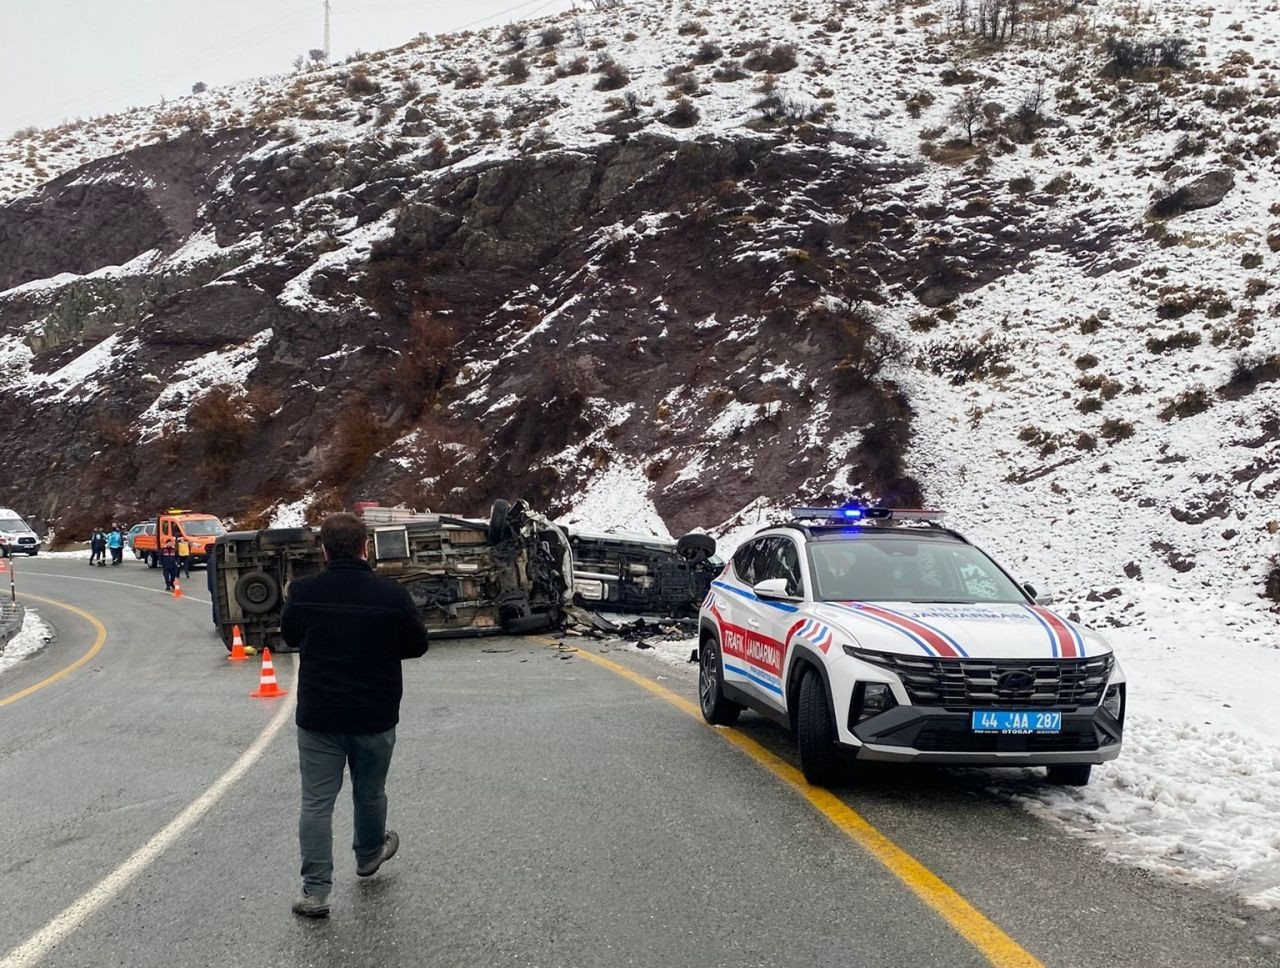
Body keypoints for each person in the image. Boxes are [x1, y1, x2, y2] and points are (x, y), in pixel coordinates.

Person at [281, 512, 429, 919]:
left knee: (315, 802)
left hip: (319, 717)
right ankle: (367, 855)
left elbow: (290, 636)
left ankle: (316, 892)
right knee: (370, 792)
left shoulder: (303, 592)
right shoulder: (391, 595)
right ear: (366, 547)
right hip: (375, 715)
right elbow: (417, 645)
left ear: (324, 550)